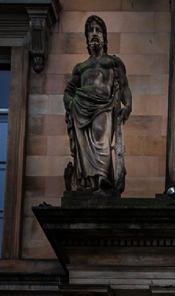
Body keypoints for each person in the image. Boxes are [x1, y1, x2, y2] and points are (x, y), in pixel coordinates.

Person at [64, 15, 132, 194]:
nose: (94, 34)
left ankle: (103, 177)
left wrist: (128, 105)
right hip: (81, 107)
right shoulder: (81, 67)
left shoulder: (112, 62)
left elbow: (124, 86)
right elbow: (68, 90)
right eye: (91, 31)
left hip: (104, 106)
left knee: (101, 138)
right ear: (86, 37)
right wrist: (71, 103)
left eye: (98, 30)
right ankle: (89, 182)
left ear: (104, 36)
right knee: (84, 147)